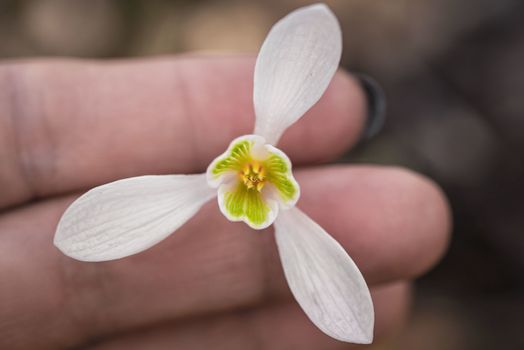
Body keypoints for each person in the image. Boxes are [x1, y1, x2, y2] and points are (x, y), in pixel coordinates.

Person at [0, 55, 450, 349]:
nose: (254, 174)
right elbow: (84, 234)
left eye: (257, 173)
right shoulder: (235, 179)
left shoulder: (267, 189)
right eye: (252, 172)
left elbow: (348, 317)